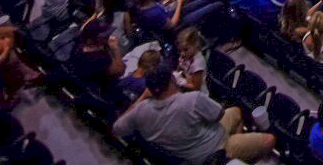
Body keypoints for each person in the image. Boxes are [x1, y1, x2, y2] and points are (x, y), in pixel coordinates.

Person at [112, 62, 276, 164]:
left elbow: (117, 128)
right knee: (269, 140)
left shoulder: (141, 109)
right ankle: (232, 158)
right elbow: (218, 115)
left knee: (235, 112)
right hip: (212, 151)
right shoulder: (192, 100)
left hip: (191, 148)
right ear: (172, 80)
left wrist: (141, 98)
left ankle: (236, 156)